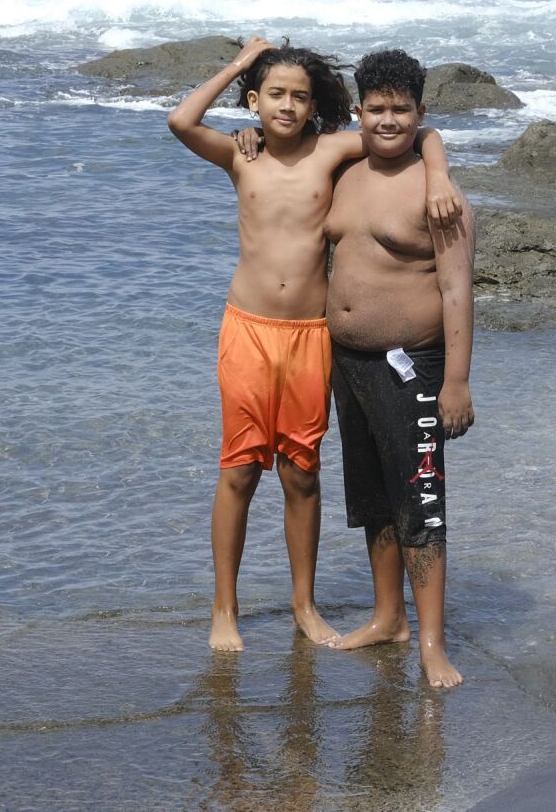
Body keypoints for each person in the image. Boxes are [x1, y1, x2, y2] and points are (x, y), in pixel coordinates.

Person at [167, 37, 458, 652]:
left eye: (300, 96)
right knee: (241, 470)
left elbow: (406, 131)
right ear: (254, 101)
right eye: (275, 95)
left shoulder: (332, 151)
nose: (289, 106)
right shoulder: (238, 156)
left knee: (302, 475)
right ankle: (225, 608)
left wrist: (437, 170)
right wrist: (241, 63)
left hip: (309, 336)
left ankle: (304, 603)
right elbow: (180, 120)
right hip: (247, 329)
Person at [322, 48, 474, 688]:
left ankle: (432, 643)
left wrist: (457, 381)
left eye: (401, 110)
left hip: (412, 366)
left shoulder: (440, 197)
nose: (388, 121)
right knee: (374, 499)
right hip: (347, 364)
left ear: (420, 112)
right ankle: (389, 617)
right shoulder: (348, 166)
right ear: (359, 110)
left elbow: (457, 293)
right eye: (376, 108)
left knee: (422, 503)